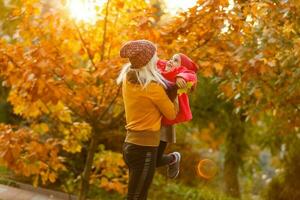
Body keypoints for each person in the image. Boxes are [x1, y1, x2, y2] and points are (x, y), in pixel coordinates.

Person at [117, 40, 181, 200]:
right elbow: (172, 114)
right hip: (144, 149)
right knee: (137, 197)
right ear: (149, 61)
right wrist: (177, 92)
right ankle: (174, 158)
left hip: (129, 146)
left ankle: (173, 158)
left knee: (136, 195)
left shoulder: (127, 78)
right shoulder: (152, 87)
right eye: (155, 55)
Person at [156, 53, 198, 179]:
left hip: (166, 123)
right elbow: (155, 61)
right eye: (171, 58)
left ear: (181, 67)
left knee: (155, 160)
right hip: (151, 119)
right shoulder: (162, 70)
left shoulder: (180, 76)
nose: (170, 61)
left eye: (175, 61)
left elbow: (191, 75)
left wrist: (181, 77)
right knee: (148, 159)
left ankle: (173, 158)